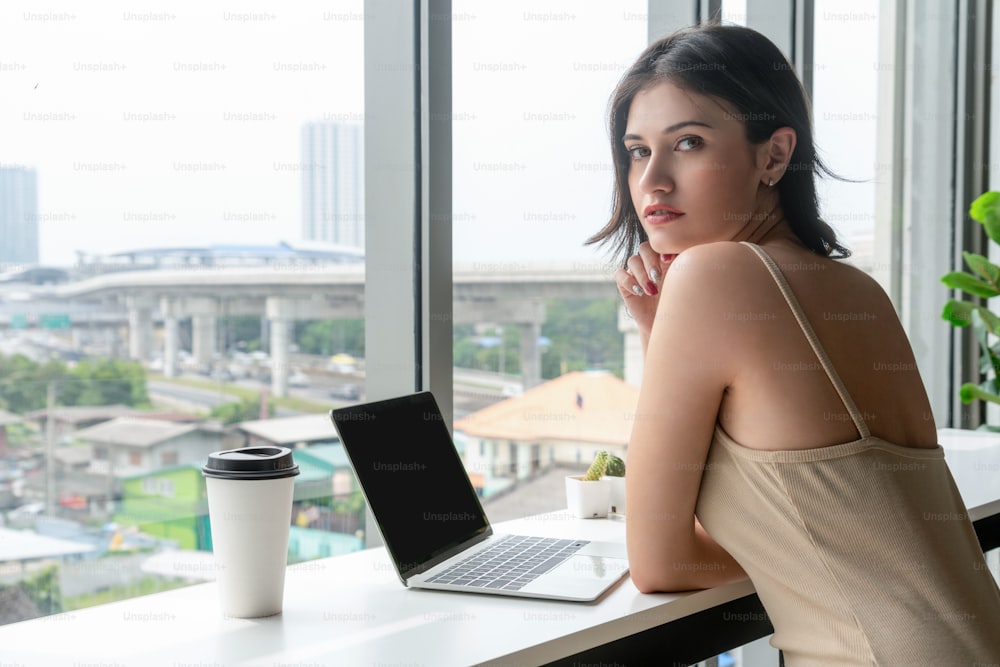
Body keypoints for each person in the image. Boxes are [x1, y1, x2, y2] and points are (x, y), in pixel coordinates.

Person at [587, 23, 1000, 665]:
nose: (653, 181)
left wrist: (809, 567)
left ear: (774, 156)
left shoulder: (714, 274)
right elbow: (849, 526)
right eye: (637, 150)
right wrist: (657, 330)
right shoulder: (858, 291)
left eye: (688, 143)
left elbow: (660, 563)